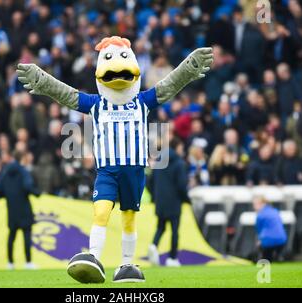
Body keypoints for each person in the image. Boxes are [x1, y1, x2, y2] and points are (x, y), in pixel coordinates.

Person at [17, 36, 213, 283]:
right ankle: (93, 258)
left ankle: (127, 264)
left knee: (129, 216)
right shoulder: (96, 104)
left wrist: (188, 69)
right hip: (107, 170)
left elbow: (168, 86)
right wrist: (43, 82)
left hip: (135, 170)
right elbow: (68, 95)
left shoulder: (142, 102)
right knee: (101, 211)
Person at [0, 150, 41, 270]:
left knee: (11, 236)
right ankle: (28, 262)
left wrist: (9, 196)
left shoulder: (5, 171)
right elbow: (28, 186)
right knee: (26, 235)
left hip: (12, 208)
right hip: (24, 207)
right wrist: (37, 193)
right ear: (23, 158)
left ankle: (10, 263)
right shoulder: (23, 171)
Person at [149, 139, 189, 267]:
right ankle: (172, 258)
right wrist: (186, 199)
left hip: (160, 201)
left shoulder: (159, 162)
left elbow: (150, 182)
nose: (182, 150)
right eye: (181, 147)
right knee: (175, 231)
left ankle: (153, 245)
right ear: (177, 147)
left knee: (160, 227)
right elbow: (182, 185)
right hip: (174, 202)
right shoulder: (179, 163)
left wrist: (155, 196)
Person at [253, 196, 287, 262]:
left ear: (263, 204)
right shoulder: (275, 211)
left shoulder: (260, 215)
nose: (254, 207)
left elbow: (259, 231)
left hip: (268, 242)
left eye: (255, 204)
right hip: (282, 240)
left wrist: (260, 241)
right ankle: (278, 257)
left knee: (265, 257)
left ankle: (265, 260)